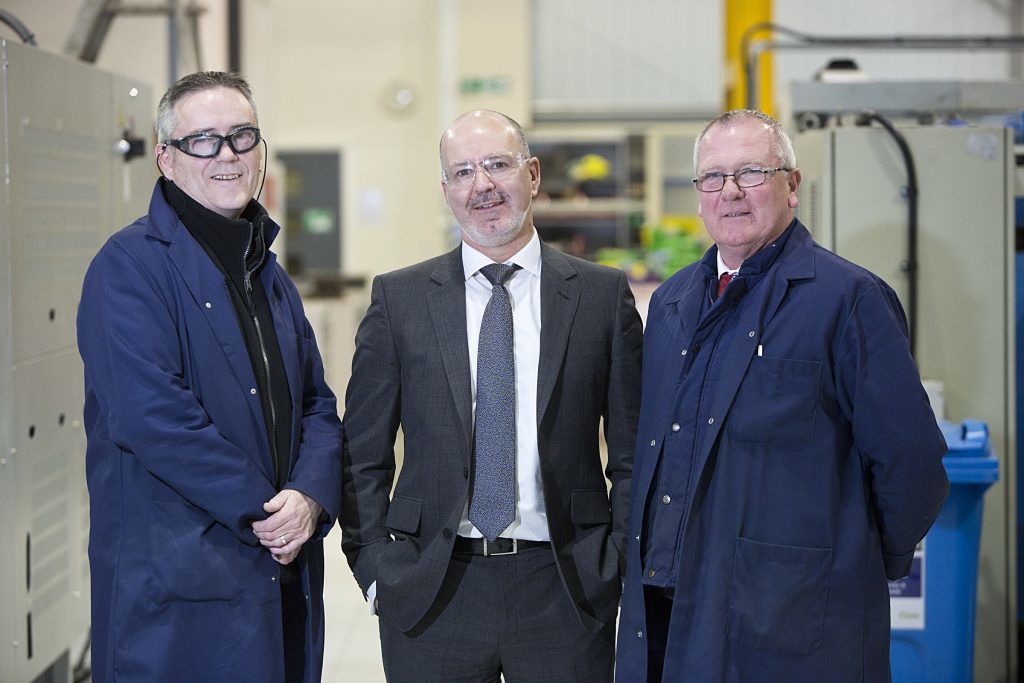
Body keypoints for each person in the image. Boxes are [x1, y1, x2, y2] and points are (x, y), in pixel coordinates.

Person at [614, 109, 950, 682]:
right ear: (698, 196)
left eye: (752, 173)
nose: (731, 193)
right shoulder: (671, 305)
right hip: (673, 613)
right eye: (713, 178)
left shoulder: (848, 300)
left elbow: (913, 465)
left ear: (792, 185)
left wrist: (859, 559)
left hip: (796, 619)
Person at [340, 109, 643, 681]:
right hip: (432, 587)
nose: (482, 185)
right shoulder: (398, 300)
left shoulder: (601, 298)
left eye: (497, 165)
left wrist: (616, 565)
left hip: (565, 586)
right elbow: (361, 452)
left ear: (531, 174)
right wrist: (375, 566)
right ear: (446, 190)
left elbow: (632, 452)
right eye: (462, 172)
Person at [77, 71, 342, 682]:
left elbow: (316, 404)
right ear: (165, 158)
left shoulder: (269, 275)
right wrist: (267, 511)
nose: (228, 155)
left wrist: (310, 498)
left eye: (243, 136)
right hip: (182, 579)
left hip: (279, 561)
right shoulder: (129, 268)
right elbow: (153, 418)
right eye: (204, 140)